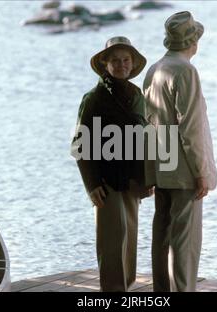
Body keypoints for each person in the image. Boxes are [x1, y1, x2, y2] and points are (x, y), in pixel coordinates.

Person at [143, 11, 217, 292]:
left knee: (161, 235)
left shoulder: (154, 69)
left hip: (161, 164)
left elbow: (147, 124)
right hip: (184, 170)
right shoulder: (186, 71)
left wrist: (149, 170)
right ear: (193, 42)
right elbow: (191, 128)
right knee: (185, 243)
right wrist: (201, 172)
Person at [71, 36, 151, 291]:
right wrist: (92, 185)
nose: (121, 65)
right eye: (115, 60)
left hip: (132, 183)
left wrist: (149, 178)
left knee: (129, 244)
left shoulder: (137, 95)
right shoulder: (94, 98)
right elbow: (80, 145)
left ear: (133, 63)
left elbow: (145, 137)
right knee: (112, 245)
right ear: (105, 63)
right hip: (106, 184)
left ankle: (124, 291)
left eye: (126, 60)